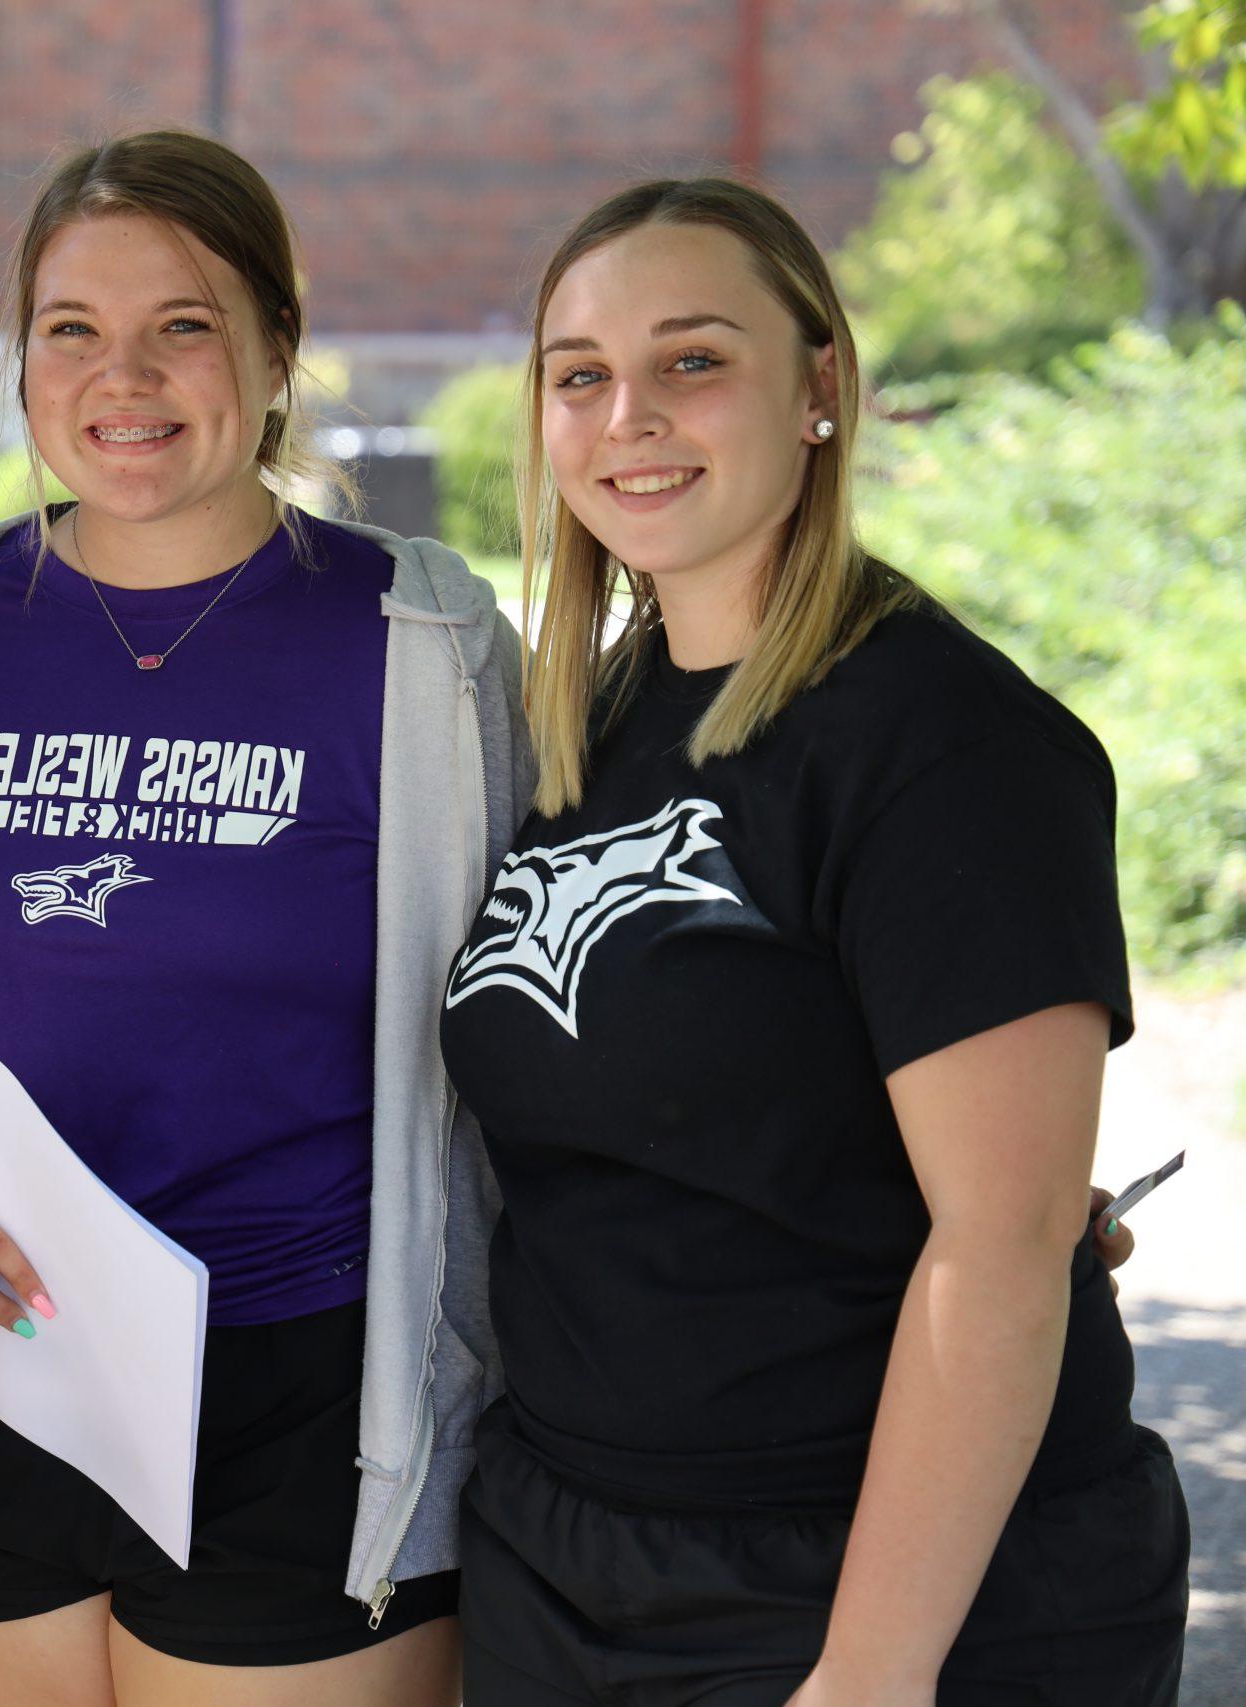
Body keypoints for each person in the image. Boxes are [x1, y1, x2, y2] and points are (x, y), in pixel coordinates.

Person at [0, 129, 528, 1706]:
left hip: (312, 1392)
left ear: (274, 350)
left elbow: (565, 994)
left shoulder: (423, 642)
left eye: (182, 323)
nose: (125, 374)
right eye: (71, 329)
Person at [437, 177, 1190, 1706]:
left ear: (821, 389)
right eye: (579, 375)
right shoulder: (586, 724)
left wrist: (873, 1670)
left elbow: (1004, 1247)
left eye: (692, 360)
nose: (628, 414)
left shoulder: (944, 745)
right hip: (570, 1565)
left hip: (881, 1591)